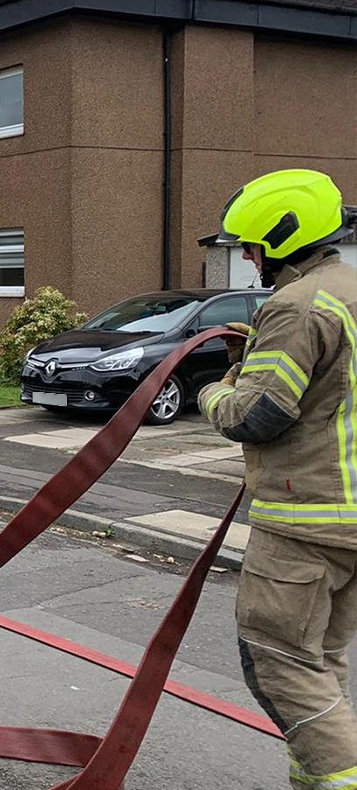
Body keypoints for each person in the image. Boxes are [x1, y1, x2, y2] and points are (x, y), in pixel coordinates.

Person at [197, 168, 357, 790]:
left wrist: (217, 389)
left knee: (280, 661)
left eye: (251, 246)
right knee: (319, 659)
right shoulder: (347, 291)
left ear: (281, 239)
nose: (247, 257)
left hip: (305, 520)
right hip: (347, 523)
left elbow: (257, 415)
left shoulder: (296, 305)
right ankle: (315, 778)